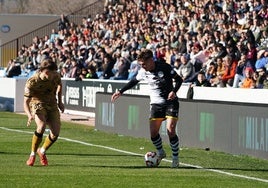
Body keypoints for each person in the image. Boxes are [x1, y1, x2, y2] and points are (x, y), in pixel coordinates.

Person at [111, 49, 183, 168]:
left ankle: (175, 158)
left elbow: (179, 80)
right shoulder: (143, 72)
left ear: (150, 60)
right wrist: (121, 91)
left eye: (144, 64)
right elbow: (134, 81)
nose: (142, 67)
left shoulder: (164, 67)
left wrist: (174, 92)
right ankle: (160, 152)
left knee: (170, 130)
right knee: (153, 133)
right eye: (140, 65)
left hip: (171, 102)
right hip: (156, 103)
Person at [24, 58, 65, 166]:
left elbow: (60, 85)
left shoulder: (55, 76)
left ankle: (41, 151)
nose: (55, 75)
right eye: (52, 72)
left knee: (55, 133)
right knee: (41, 126)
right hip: (37, 103)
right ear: (46, 72)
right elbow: (26, 101)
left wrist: (60, 102)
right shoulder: (33, 81)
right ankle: (32, 154)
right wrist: (29, 115)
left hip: (52, 103)